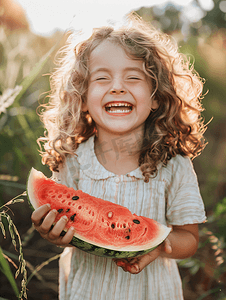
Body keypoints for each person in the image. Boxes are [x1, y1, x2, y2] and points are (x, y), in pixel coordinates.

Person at [31, 13, 207, 300]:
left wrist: (159, 245)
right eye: (102, 78)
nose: (117, 87)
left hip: (153, 292)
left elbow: (189, 239)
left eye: (133, 77)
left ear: (156, 97)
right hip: (88, 291)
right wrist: (52, 233)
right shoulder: (73, 161)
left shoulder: (173, 165)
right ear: (83, 96)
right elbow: (73, 228)